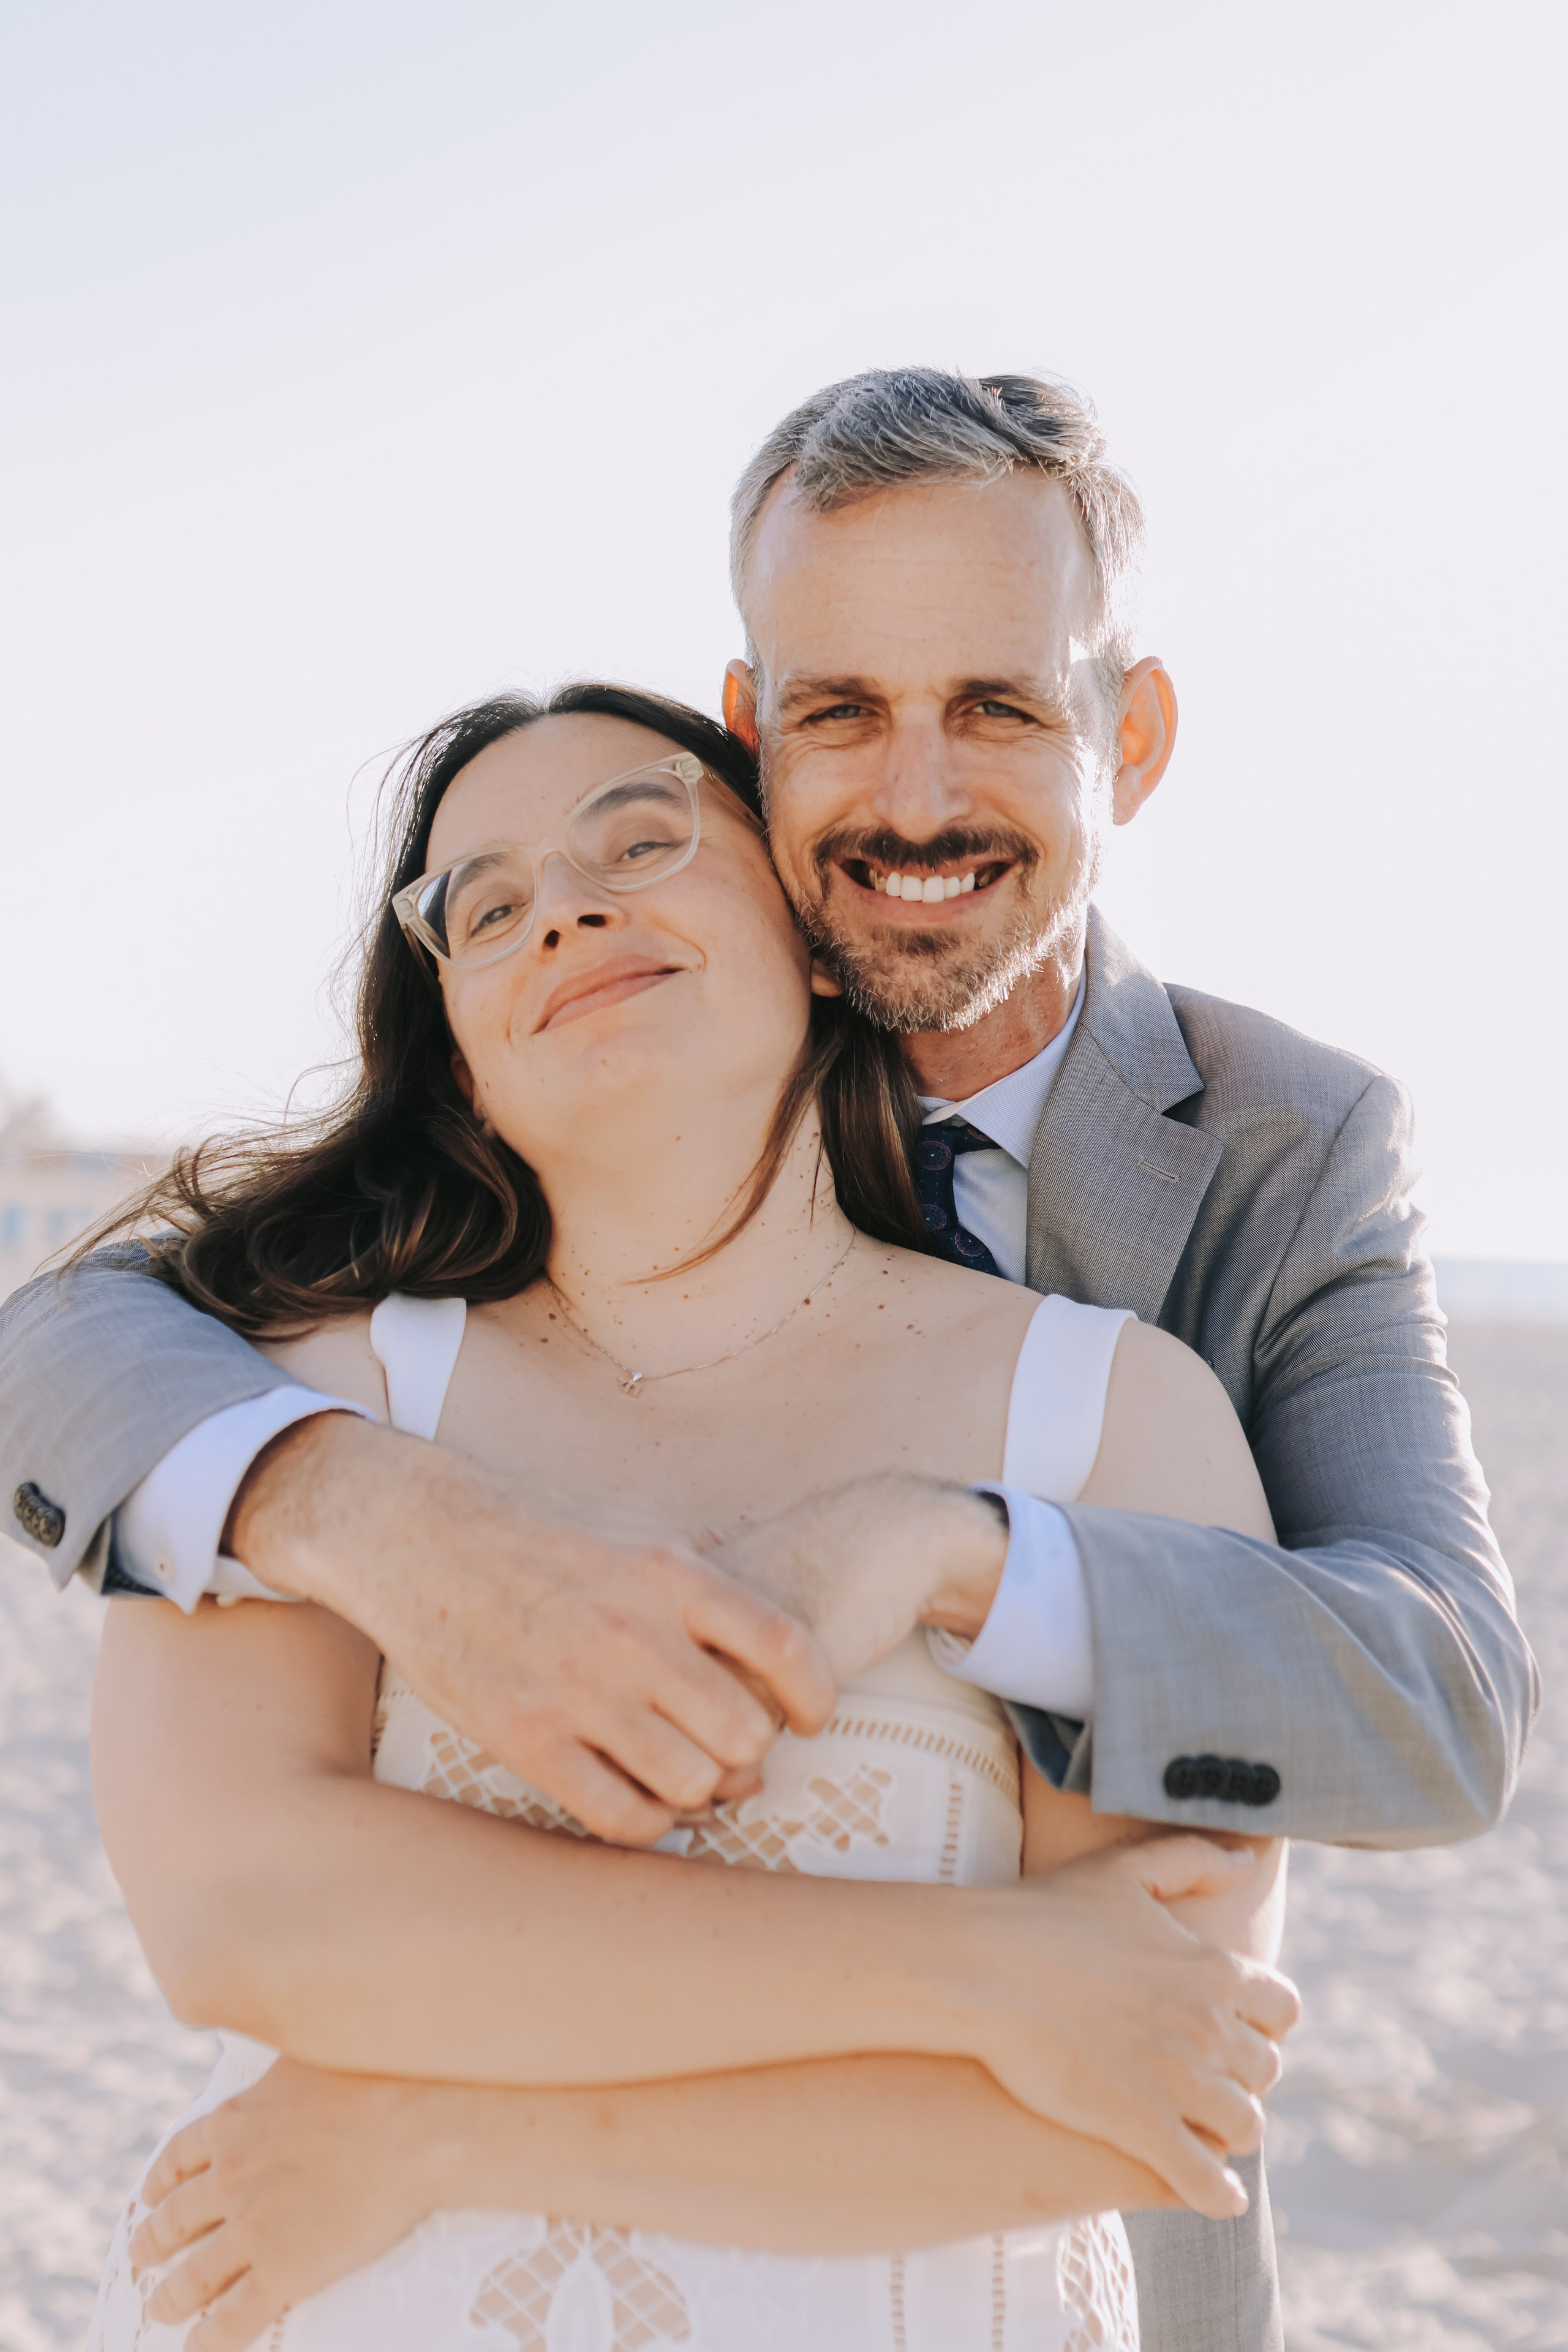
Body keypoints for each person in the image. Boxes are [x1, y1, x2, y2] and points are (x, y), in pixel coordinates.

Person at [1, 368, 1534, 2348]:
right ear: (761, 749)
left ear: (1125, 733)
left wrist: (948, 1546)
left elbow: (1429, 1698)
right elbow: (83, 1361)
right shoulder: (343, 1370)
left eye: (997, 705)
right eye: (840, 715)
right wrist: (366, 1510)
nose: (909, 798)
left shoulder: (1266, 1172)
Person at [86, 685, 1298, 2351]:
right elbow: (246, 1918)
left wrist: (440, 2131)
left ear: (813, 938)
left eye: (642, 839)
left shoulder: (1113, 1415)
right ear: (459, 1048)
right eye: (489, 906)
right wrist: (978, 1975)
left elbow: (1147, 2080)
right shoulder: (307, 1396)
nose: (567, 909)